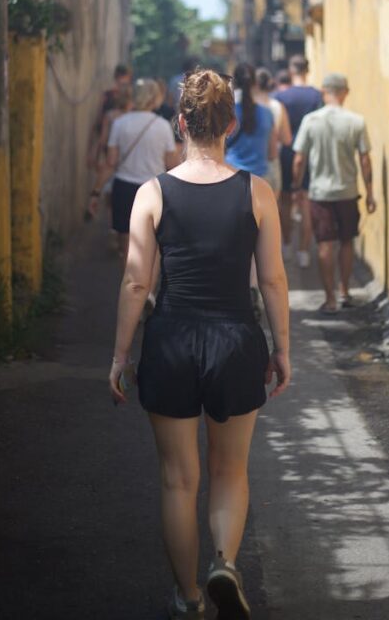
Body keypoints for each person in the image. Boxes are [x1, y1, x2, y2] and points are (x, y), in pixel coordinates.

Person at [109, 69, 290, 619]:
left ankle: (188, 597)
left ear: (180, 122)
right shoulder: (256, 192)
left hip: (170, 343)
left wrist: (120, 355)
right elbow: (274, 280)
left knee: (178, 478)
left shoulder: (152, 193)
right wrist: (281, 349)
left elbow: (137, 281)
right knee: (230, 470)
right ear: (231, 125)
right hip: (236, 340)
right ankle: (223, 563)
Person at [292, 72, 376, 314]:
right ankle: (345, 291)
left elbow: (299, 159)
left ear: (324, 92)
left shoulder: (311, 120)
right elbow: (365, 160)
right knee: (347, 241)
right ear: (345, 92)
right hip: (348, 191)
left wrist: (297, 187)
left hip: (320, 193)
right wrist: (369, 193)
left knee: (325, 244)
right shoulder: (356, 121)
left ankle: (329, 299)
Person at [88, 79, 180, 263]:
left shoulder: (120, 123)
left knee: (127, 248)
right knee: (152, 247)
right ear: (154, 99)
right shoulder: (162, 126)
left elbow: (110, 163)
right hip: (154, 190)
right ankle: (148, 291)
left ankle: (130, 287)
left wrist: (95, 192)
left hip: (123, 188)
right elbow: (172, 164)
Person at [272, 55, 323, 268]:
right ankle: (304, 250)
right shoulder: (316, 95)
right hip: (310, 152)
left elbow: (277, 129)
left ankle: (286, 244)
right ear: (307, 70)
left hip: (287, 151)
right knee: (306, 201)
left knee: (285, 199)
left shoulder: (280, 97)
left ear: (291, 71)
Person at [225, 63, 276, 182]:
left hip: (231, 177)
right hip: (261, 178)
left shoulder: (227, 113)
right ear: (256, 84)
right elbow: (272, 153)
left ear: (233, 84)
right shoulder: (267, 113)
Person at [86, 63, 133, 170]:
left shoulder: (107, 96)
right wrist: (94, 154)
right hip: (120, 145)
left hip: (110, 144)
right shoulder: (131, 98)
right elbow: (99, 124)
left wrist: (94, 154)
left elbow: (98, 124)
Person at [255, 67, 292, 198]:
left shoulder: (245, 108)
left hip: (247, 164)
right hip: (272, 163)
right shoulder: (277, 106)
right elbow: (287, 139)